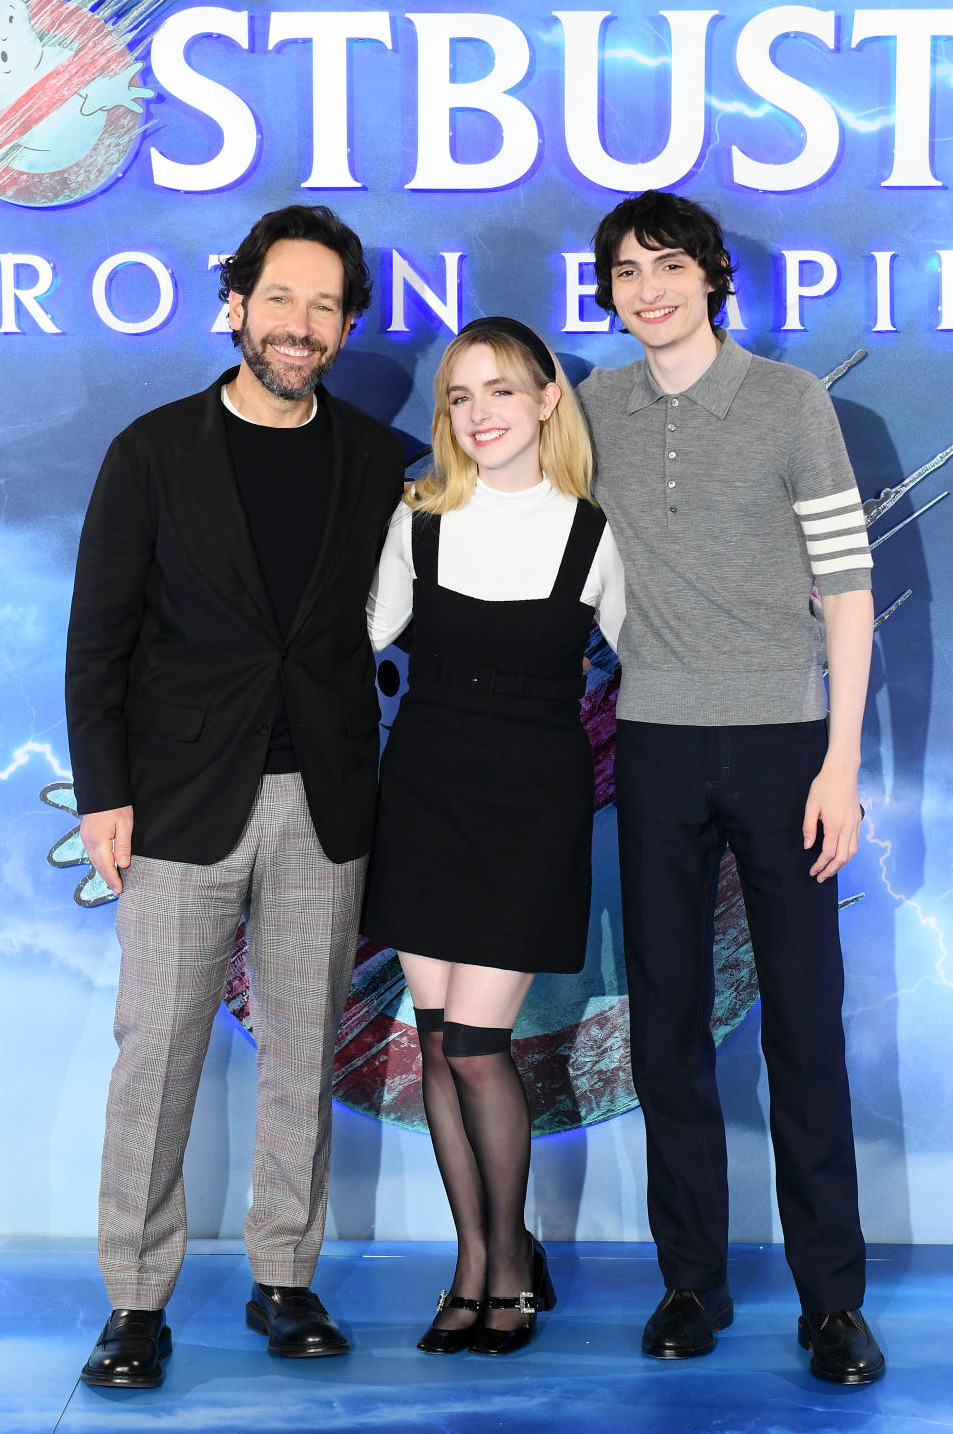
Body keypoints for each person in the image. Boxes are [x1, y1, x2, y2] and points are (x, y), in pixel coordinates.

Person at [66, 205, 404, 1387]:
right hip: (177, 803)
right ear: (238, 306)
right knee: (154, 1049)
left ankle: (284, 1276)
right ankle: (137, 1301)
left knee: (303, 1050)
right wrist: (104, 791)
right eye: (280, 300)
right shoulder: (151, 451)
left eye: (325, 307)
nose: (300, 326)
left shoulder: (375, 459)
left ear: (347, 325)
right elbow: (97, 638)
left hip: (324, 801)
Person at [578, 189, 884, 1384]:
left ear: (712, 276)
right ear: (607, 293)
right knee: (667, 1031)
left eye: (668, 265)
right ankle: (690, 1284)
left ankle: (833, 1303)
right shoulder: (592, 406)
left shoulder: (791, 403)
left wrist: (841, 763)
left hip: (784, 744)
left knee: (805, 1027)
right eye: (625, 272)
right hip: (652, 740)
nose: (648, 289)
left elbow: (847, 589)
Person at [362, 317, 625, 1356]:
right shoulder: (416, 520)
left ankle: (508, 1263)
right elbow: (351, 641)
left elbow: (660, 661)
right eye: (461, 397)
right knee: (433, 1038)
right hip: (425, 795)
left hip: (531, 810)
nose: (479, 415)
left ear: (548, 400)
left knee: (477, 1047)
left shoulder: (592, 535)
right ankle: (474, 1260)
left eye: (501, 392)